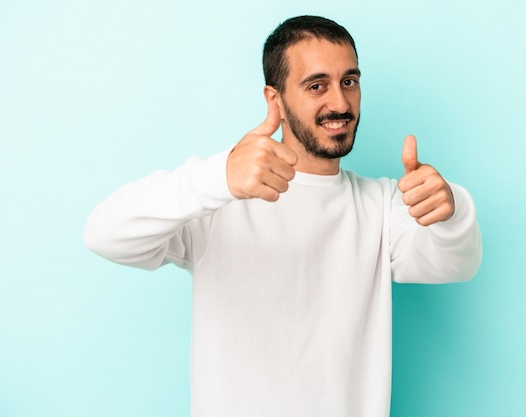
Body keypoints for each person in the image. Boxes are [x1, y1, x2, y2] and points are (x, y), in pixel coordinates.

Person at [84, 15, 482, 417]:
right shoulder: (218, 197)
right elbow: (104, 234)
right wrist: (219, 176)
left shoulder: (381, 205)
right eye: (317, 86)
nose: (340, 104)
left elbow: (455, 264)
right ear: (276, 101)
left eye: (349, 81)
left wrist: (450, 210)